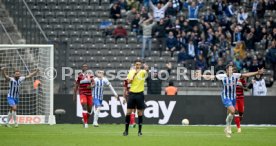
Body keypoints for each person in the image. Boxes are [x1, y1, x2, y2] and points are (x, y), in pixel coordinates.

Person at [196, 64, 265, 138]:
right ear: (226, 70)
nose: (231, 71)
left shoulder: (235, 75)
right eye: (229, 69)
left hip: (233, 98)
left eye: (231, 69)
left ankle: (227, 127)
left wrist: (257, 73)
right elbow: (211, 77)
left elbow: (246, 75)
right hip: (225, 97)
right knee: (233, 111)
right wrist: (201, 75)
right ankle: (228, 126)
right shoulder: (222, 76)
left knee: (230, 113)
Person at [123, 59, 149, 136]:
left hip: (140, 94)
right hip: (132, 94)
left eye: (139, 64)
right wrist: (134, 74)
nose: (138, 66)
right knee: (128, 112)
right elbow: (128, 82)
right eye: (136, 64)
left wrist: (147, 69)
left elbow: (147, 72)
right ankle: (126, 131)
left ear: (141, 65)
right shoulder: (131, 72)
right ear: (134, 65)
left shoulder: (143, 72)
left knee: (140, 113)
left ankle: (139, 131)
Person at [73, 64, 94, 128]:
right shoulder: (79, 76)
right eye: (84, 66)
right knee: (84, 106)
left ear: (87, 68)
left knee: (90, 111)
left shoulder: (90, 75)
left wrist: (90, 86)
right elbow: (76, 86)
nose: (85, 67)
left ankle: (84, 119)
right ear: (82, 68)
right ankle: (85, 123)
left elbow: (94, 83)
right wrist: (74, 96)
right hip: (82, 93)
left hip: (89, 94)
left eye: (86, 66)